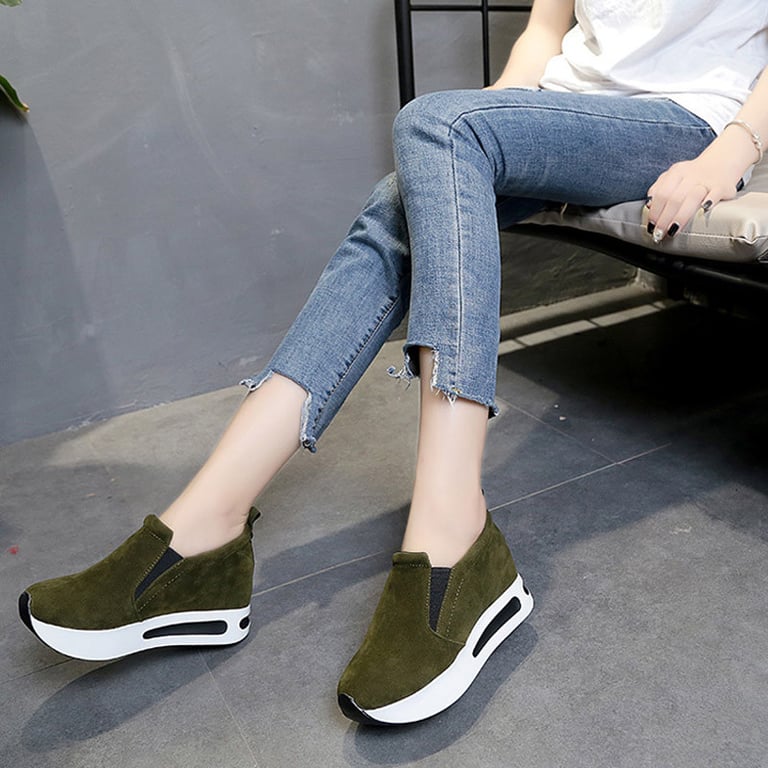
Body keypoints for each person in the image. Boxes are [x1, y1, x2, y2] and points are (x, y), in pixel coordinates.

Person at [18, 0, 767, 726]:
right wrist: (492, 118)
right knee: (405, 187)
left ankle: (442, 526)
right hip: (562, 110)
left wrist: (733, 151)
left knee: (436, 125)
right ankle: (206, 527)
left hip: (688, 119)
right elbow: (547, 26)